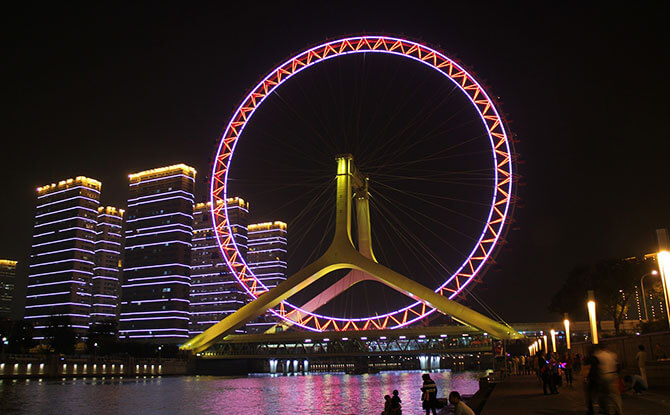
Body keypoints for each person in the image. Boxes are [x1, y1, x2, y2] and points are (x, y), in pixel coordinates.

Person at [593, 344, 623, 415]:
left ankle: (606, 410)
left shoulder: (598, 355)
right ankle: (619, 410)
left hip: (604, 375)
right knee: (615, 395)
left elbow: (597, 367)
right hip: (613, 374)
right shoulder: (612, 355)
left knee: (604, 394)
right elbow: (617, 365)